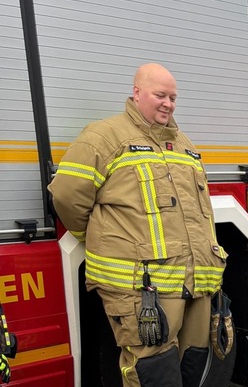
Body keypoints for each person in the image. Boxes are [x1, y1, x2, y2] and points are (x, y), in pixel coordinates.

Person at [48, 63, 229, 386]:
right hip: (143, 290)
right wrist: (99, 237)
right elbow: (66, 196)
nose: (168, 104)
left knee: (193, 368)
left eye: (173, 97)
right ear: (136, 93)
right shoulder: (103, 137)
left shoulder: (183, 143)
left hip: (196, 284)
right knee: (152, 373)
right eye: (160, 95)